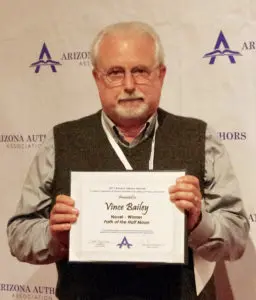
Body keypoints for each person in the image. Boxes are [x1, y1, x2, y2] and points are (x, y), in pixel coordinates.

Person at [7, 21, 249, 300]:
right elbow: (19, 235)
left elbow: (237, 239)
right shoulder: (60, 141)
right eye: (115, 73)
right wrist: (55, 237)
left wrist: (198, 223)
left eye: (140, 71)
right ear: (97, 79)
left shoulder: (200, 138)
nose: (129, 85)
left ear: (161, 75)